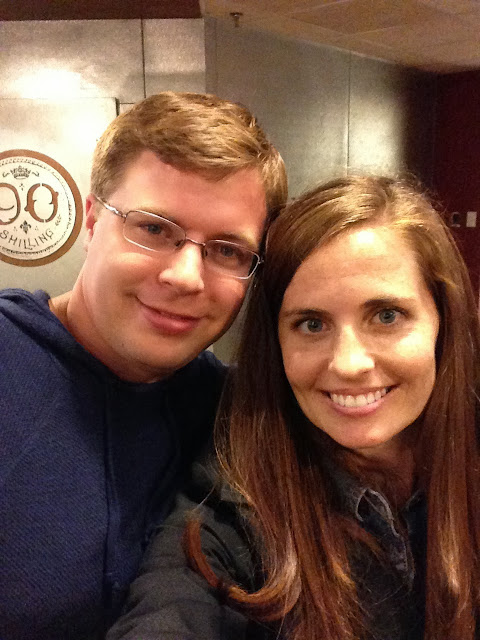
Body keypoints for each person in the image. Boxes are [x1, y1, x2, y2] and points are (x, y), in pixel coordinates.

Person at [107, 175, 480, 640]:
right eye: (311, 324)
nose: (348, 364)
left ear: (443, 321)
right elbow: (172, 605)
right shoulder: (234, 506)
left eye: (387, 316)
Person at [0, 91, 287, 640]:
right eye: (154, 228)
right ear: (91, 222)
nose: (185, 276)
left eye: (227, 250)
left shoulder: (235, 418)